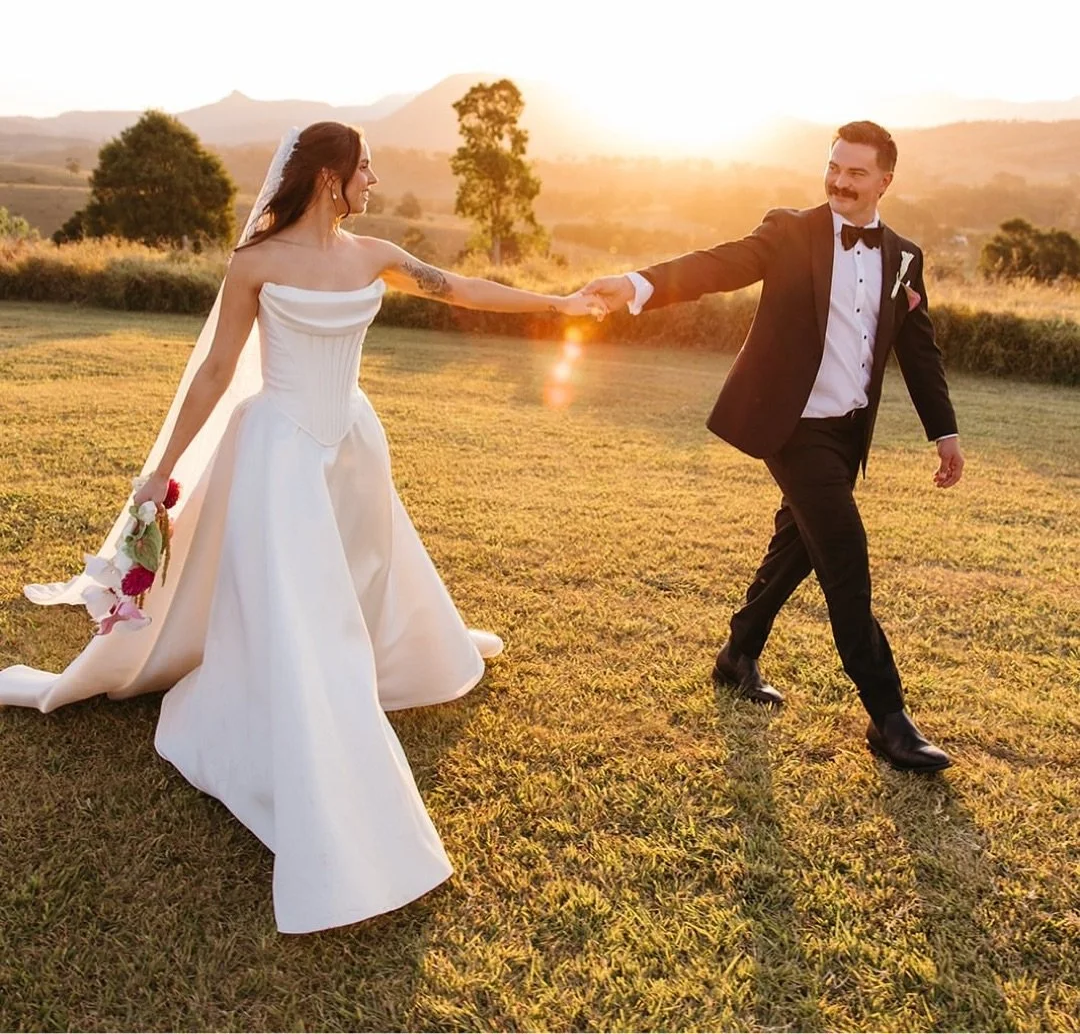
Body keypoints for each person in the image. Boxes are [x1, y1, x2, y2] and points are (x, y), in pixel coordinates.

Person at [0, 121, 604, 933]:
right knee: (302, 606)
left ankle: (372, 665)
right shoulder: (255, 264)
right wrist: (162, 470)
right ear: (329, 177)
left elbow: (459, 288)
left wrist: (559, 303)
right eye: (365, 169)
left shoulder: (373, 253)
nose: (375, 181)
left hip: (351, 443)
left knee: (361, 576)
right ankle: (312, 737)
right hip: (280, 450)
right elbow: (217, 370)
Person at [581, 120, 964, 772]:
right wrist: (639, 284)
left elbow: (917, 347)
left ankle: (738, 655)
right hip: (793, 428)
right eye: (835, 167)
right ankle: (890, 721)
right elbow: (719, 265)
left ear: (885, 181)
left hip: (847, 434)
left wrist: (944, 431)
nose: (840, 181)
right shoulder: (791, 231)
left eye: (857, 172)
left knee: (798, 548)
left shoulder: (903, 256)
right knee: (844, 555)